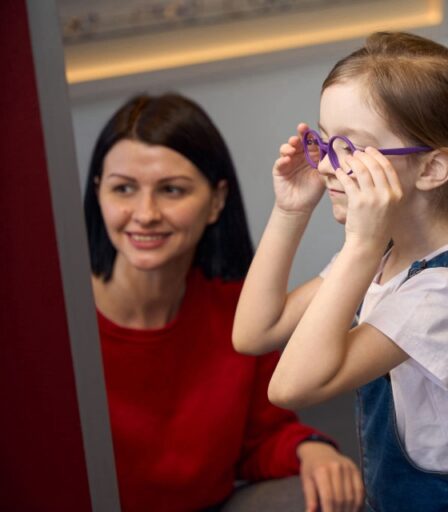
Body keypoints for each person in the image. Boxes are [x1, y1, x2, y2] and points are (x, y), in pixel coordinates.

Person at [233, 32, 448, 511]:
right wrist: (290, 212)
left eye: (351, 149)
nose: (329, 166)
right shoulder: (380, 258)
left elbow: (290, 386)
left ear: (433, 169)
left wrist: (361, 243)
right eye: (325, 140)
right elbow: (255, 333)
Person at [83, 93, 363, 512]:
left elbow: (261, 438)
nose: (145, 213)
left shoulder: (243, 313)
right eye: (123, 189)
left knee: (317, 499)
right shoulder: (59, 325)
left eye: (171, 190)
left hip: (213, 506)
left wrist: (310, 449)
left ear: (216, 201)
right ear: (98, 193)